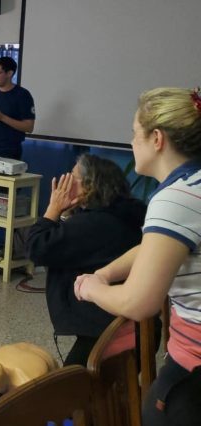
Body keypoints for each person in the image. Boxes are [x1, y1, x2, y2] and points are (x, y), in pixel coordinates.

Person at [75, 86, 201, 426]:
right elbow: (154, 247)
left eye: (134, 134)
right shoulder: (194, 184)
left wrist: (90, 288)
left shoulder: (174, 198)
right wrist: (105, 272)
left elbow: (138, 303)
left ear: (157, 139)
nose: (132, 143)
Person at [27, 153, 146, 366]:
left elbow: (37, 247)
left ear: (90, 185)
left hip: (108, 330)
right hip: (126, 325)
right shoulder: (123, 215)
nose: (66, 182)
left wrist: (53, 209)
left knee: (70, 389)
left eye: (72, 176)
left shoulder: (95, 224)